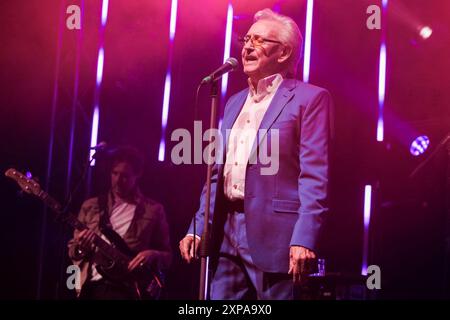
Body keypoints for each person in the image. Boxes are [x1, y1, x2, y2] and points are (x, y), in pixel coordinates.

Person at [179, 8, 333, 300]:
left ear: (285, 52)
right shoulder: (233, 103)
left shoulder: (309, 99)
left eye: (260, 41)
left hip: (276, 236)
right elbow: (215, 176)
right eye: (246, 39)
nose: (247, 46)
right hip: (226, 234)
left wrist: (304, 238)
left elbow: (315, 176)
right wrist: (198, 227)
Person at [68, 146, 172, 299]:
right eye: (114, 173)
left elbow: (168, 257)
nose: (118, 181)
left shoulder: (154, 210)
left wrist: (153, 254)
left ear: (138, 175)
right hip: (91, 286)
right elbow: (73, 252)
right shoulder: (91, 206)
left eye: (125, 176)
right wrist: (81, 248)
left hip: (127, 290)